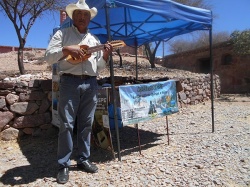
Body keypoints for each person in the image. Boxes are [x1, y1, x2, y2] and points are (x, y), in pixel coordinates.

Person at [45, 0, 113, 184]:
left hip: (91, 83)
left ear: (89, 18)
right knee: (66, 124)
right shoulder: (63, 34)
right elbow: (48, 57)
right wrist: (66, 49)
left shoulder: (95, 40)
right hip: (69, 82)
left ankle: (83, 159)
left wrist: (105, 56)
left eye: (85, 15)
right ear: (73, 17)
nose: (82, 17)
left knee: (86, 124)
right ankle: (63, 164)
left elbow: (98, 67)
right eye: (79, 14)